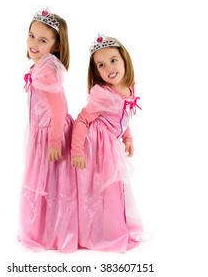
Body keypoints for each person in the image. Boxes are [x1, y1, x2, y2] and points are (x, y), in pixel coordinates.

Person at [71, 34, 147, 252]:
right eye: (101, 65)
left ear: (124, 59)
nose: (109, 68)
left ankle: (112, 226)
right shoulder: (103, 93)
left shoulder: (130, 87)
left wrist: (127, 137)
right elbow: (83, 119)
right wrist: (77, 149)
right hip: (97, 145)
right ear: (97, 71)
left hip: (111, 142)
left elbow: (124, 116)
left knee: (115, 186)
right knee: (103, 188)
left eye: (113, 60)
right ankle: (101, 231)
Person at [18, 8, 77, 253]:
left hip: (50, 133)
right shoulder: (42, 65)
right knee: (48, 182)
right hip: (41, 130)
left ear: (55, 45)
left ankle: (49, 231)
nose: (33, 43)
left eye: (42, 40)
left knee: (49, 183)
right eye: (31, 36)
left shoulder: (46, 69)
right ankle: (45, 229)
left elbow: (58, 109)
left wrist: (54, 142)